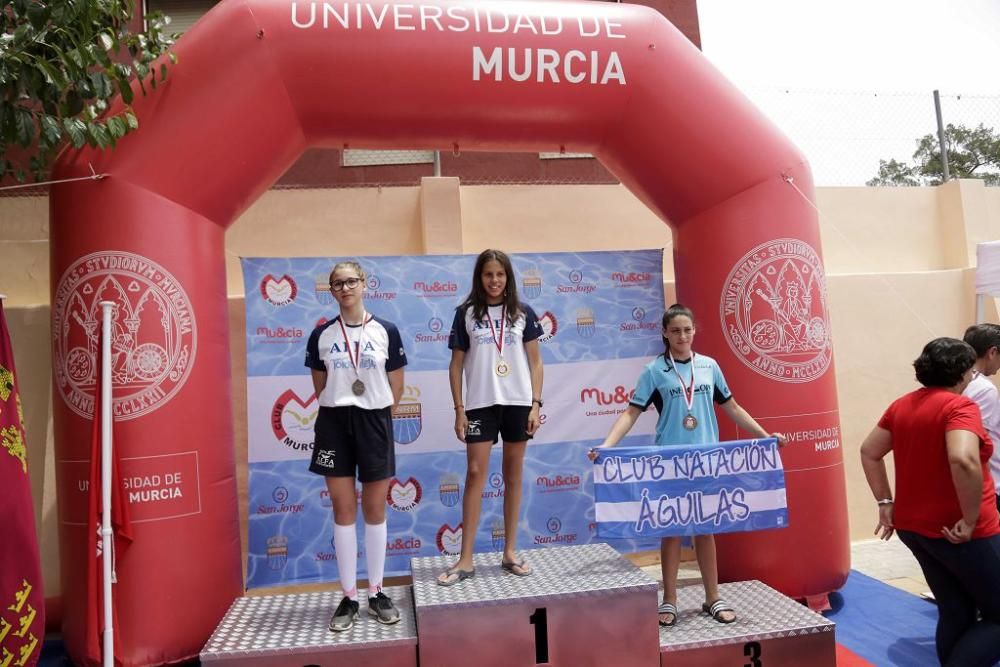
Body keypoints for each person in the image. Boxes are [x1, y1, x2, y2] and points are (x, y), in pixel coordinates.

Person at [588, 303, 786, 627]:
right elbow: (631, 413)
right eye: (675, 330)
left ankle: (712, 597)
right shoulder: (654, 371)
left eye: (687, 329)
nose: (682, 335)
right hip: (670, 462)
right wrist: (606, 446)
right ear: (665, 333)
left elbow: (732, 407)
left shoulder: (709, 366)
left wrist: (766, 437)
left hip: (706, 461)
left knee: (705, 531)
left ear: (694, 331)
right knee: (671, 532)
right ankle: (669, 599)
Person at [860, 337, 1000, 667]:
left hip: (916, 528)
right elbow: (963, 458)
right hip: (962, 532)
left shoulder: (902, 405)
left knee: (956, 608)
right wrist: (969, 518)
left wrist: (884, 501)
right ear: (964, 373)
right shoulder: (959, 407)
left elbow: (869, 451)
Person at [304, 261, 407, 632]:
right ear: (331, 291)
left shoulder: (386, 332)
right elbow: (321, 387)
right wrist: (344, 404)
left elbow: (396, 388)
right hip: (334, 423)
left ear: (364, 284)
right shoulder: (321, 336)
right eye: (337, 284)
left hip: (374, 420)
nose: (345, 288)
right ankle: (348, 596)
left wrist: (374, 410)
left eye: (351, 281)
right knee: (343, 508)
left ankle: (377, 592)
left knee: (376, 508)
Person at [437, 249, 544, 586]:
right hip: (480, 405)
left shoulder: (523, 313)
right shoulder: (465, 314)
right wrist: (459, 409)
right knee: (474, 473)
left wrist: (536, 404)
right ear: (479, 278)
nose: (495, 281)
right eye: (488, 275)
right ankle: (465, 559)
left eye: (500, 274)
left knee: (513, 474)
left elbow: (536, 363)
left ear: (508, 277)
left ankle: (510, 551)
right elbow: (456, 366)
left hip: (517, 402)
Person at [963, 323, 1000, 511]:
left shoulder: (958, 381)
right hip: (990, 482)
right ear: (992, 352)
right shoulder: (985, 389)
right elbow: (976, 442)